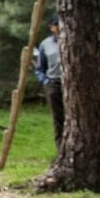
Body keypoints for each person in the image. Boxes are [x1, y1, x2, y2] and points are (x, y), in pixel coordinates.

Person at [34, 14, 64, 146]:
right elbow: (40, 67)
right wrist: (45, 81)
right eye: (57, 24)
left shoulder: (74, 41)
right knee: (58, 118)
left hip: (74, 84)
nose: (60, 26)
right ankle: (61, 149)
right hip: (54, 83)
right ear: (52, 27)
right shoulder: (45, 44)